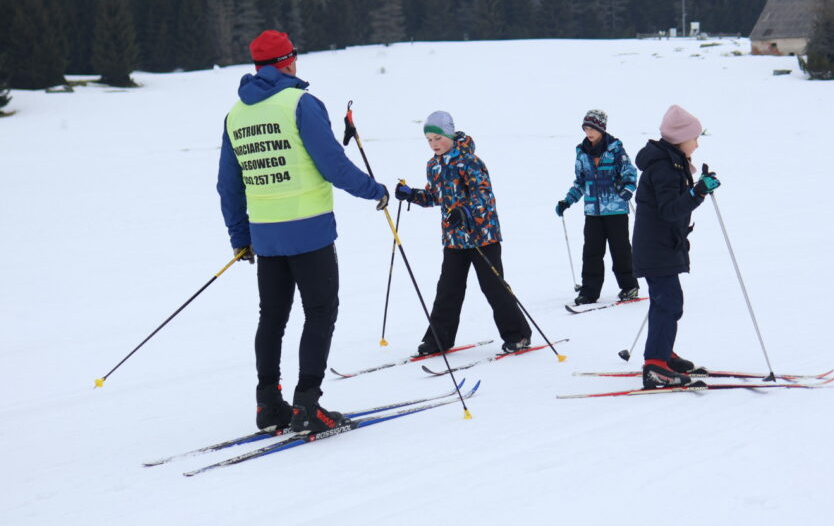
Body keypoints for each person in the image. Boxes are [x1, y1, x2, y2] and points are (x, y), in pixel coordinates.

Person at [217, 30, 389, 433]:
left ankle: (268, 404)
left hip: (266, 236)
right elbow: (333, 165)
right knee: (320, 311)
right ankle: (307, 405)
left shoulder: (236, 115)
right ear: (287, 61)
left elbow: (229, 184)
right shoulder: (301, 104)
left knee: (272, 317)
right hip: (309, 232)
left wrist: (240, 237)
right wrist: (374, 190)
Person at [394, 110, 533, 355]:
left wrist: (466, 212)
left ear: (449, 134)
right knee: (448, 289)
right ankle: (439, 339)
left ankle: (518, 335)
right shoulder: (433, 165)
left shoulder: (470, 161)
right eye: (429, 140)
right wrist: (412, 195)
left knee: (494, 287)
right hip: (454, 239)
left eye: (438, 138)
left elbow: (484, 196)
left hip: (482, 236)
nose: (434, 144)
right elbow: (434, 196)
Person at [631, 105, 720, 389]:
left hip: (661, 246)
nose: (697, 143)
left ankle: (662, 354)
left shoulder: (673, 163)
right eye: (694, 137)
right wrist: (698, 191)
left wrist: (697, 189)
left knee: (665, 302)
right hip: (656, 248)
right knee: (668, 303)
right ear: (681, 138)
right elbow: (671, 210)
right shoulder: (665, 167)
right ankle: (655, 365)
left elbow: (675, 206)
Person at [555, 109, 640, 305]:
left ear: (602, 128)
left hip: (616, 210)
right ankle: (589, 292)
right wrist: (567, 201)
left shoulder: (615, 149)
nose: (589, 132)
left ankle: (629, 286)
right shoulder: (582, 153)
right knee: (591, 252)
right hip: (593, 211)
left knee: (620, 250)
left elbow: (630, 173)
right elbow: (580, 182)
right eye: (585, 128)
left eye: (592, 128)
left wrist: (626, 189)